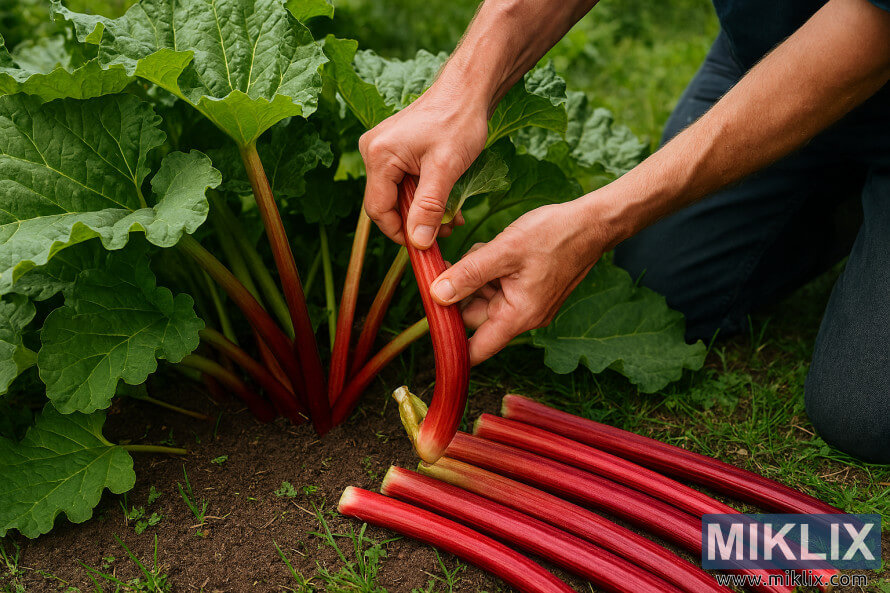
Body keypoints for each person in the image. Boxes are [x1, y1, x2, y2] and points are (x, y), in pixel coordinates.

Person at [358, 0, 890, 463]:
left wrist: (598, 221)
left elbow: (872, 26)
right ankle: (847, 201)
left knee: (862, 408)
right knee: (660, 282)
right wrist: (461, 90)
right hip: (774, 43)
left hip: (868, 37)